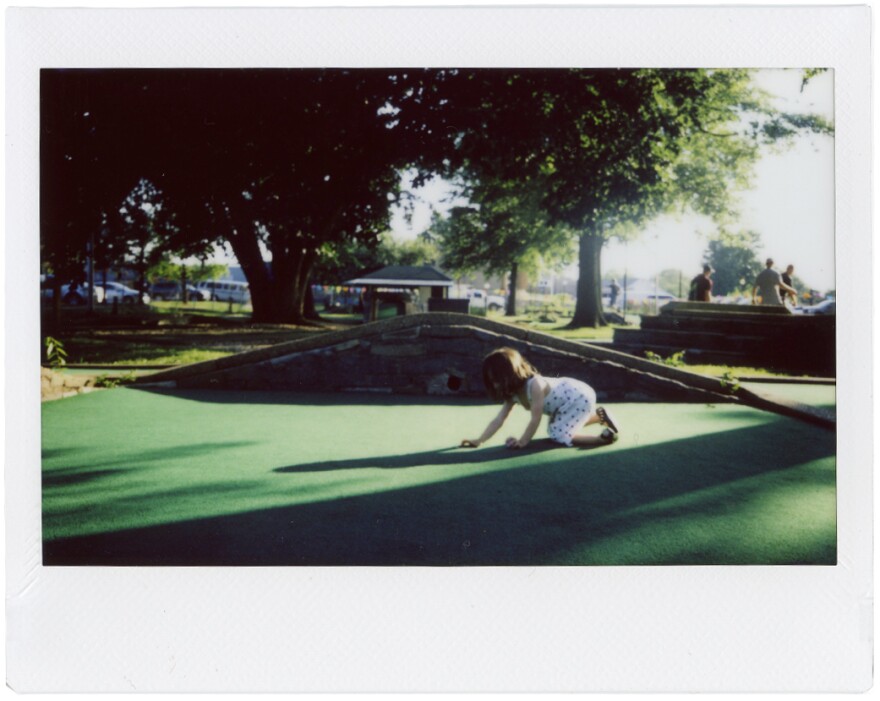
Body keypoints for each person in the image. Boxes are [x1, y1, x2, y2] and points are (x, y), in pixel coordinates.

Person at [460, 347, 619, 450]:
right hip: (569, 402)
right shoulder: (512, 393)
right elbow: (499, 419)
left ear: (509, 374)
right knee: (556, 428)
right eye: (492, 381)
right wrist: (479, 440)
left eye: (497, 379)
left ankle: (603, 438)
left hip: (578, 397)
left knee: (559, 434)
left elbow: (535, 419)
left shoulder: (534, 385)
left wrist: (523, 442)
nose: (495, 385)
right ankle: (600, 416)